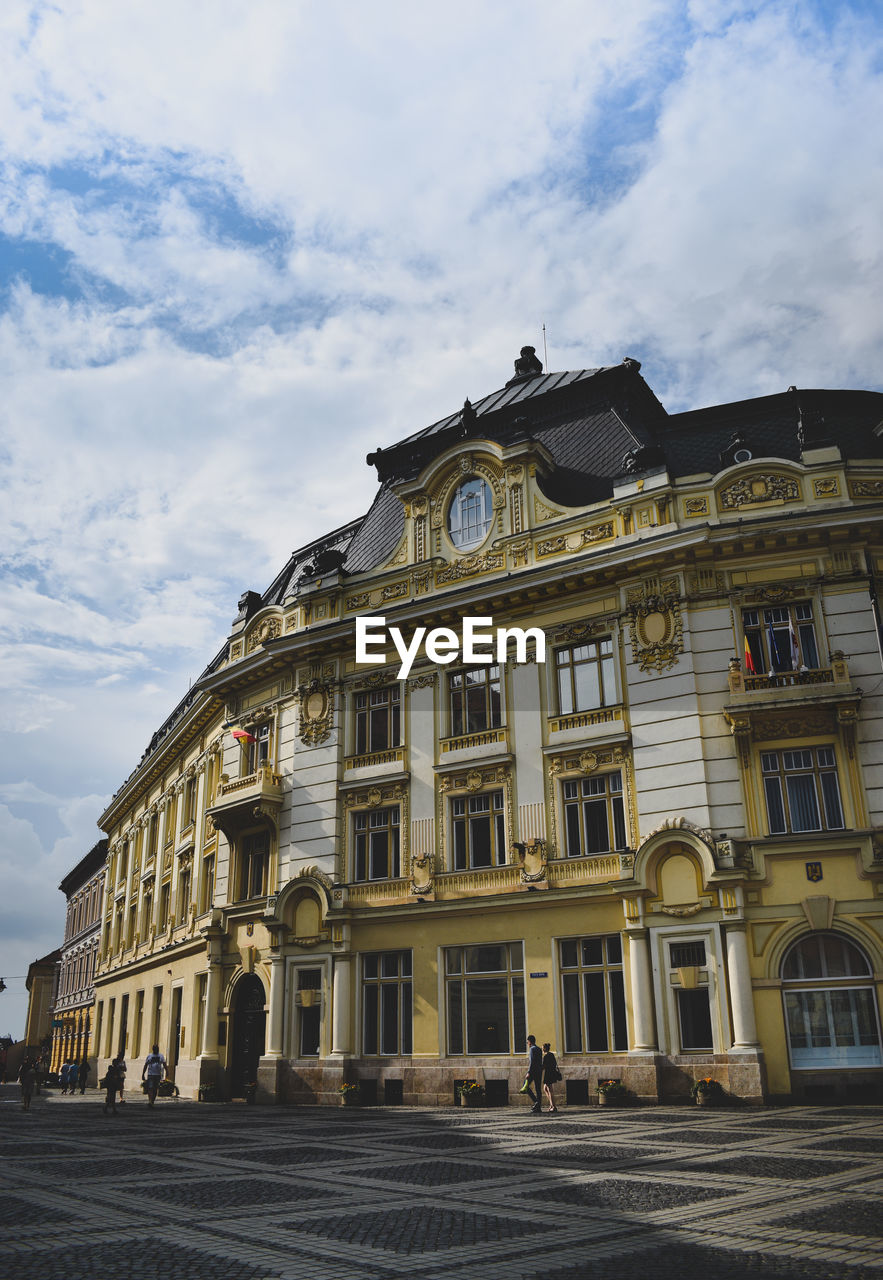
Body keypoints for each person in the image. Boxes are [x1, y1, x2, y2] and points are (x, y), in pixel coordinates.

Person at [524, 1035, 543, 1114]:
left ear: (529, 1041)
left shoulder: (532, 1049)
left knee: (525, 1086)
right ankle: (538, 1106)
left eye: (527, 1042)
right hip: (539, 1071)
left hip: (533, 1071)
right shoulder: (539, 1049)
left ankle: (536, 1102)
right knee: (538, 1089)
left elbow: (532, 1062)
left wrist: (528, 1072)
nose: (527, 1044)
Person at [541, 1042, 560, 1114]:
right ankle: (551, 1104)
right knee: (545, 1088)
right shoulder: (551, 1054)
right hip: (552, 1073)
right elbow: (554, 1064)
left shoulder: (546, 1056)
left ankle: (554, 1107)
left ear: (545, 1048)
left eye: (542, 1048)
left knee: (550, 1090)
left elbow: (543, 1066)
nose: (542, 1049)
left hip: (548, 1074)